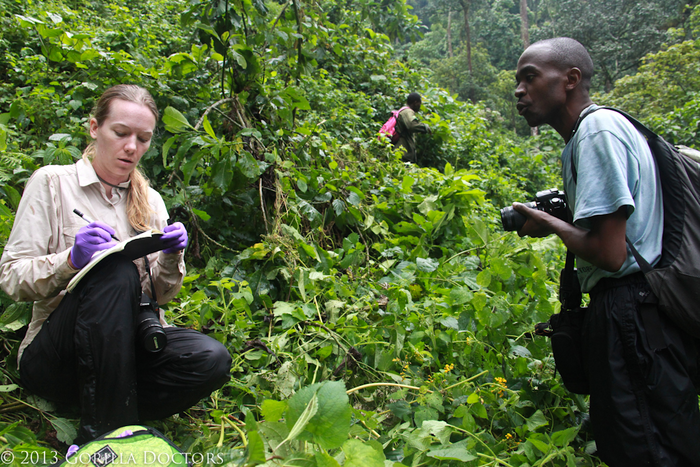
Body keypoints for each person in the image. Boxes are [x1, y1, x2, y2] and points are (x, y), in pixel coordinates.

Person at [0, 84, 232, 442]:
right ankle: (106, 433)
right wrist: (71, 259)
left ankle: (108, 404)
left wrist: (172, 255)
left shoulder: (151, 200)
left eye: (143, 139)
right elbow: (11, 279)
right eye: (121, 133)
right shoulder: (52, 183)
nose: (131, 147)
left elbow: (163, 297)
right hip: (57, 357)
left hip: (130, 350)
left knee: (211, 359)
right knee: (115, 267)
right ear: (95, 128)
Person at [513, 37, 700, 466]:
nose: (519, 91)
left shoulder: (597, 131)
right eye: (517, 82)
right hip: (650, 312)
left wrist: (548, 223)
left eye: (530, 77)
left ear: (571, 80)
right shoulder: (603, 132)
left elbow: (610, 253)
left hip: (632, 314)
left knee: (647, 450)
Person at [395, 92, 431, 163]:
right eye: (419, 104)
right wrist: (425, 127)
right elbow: (412, 125)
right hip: (402, 153)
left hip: (402, 152)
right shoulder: (408, 111)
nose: (419, 106)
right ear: (415, 102)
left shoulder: (404, 111)